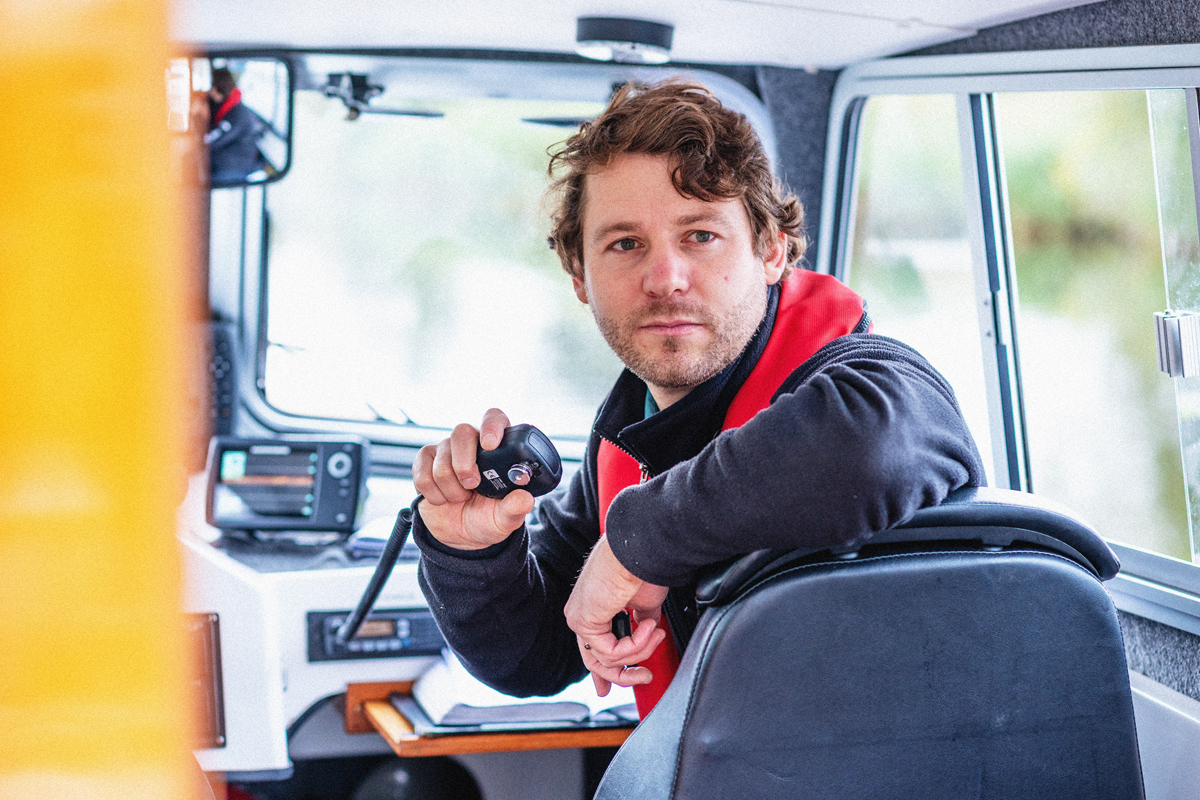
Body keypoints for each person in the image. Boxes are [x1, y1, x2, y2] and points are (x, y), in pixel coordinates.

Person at [412, 80, 985, 718]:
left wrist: (638, 543)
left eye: (701, 236)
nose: (665, 279)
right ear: (580, 276)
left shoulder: (870, 384)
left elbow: (871, 449)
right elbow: (534, 657)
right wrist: (471, 552)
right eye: (625, 244)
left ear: (771, 250)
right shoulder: (629, 440)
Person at [204, 67, 267, 185]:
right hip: (222, 158)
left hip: (234, 165)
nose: (209, 92)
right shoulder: (223, 104)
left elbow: (211, 140)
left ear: (218, 89)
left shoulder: (237, 115)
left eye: (212, 88)